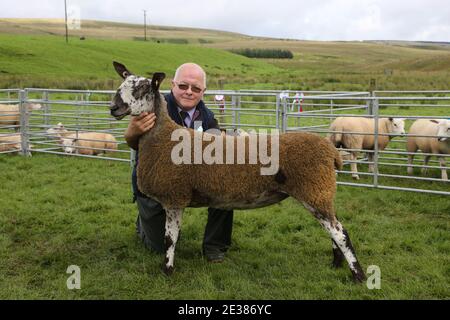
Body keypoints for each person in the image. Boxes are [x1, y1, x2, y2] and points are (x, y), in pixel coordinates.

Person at [124, 63, 234, 262]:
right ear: (173, 85)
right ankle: (145, 223)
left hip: (193, 183)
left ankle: (215, 246)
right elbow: (135, 144)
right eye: (183, 86)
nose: (189, 92)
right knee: (157, 246)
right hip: (158, 183)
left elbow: (218, 145)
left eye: (196, 88)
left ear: (203, 92)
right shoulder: (153, 108)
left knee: (226, 184)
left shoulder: (206, 117)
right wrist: (131, 133)